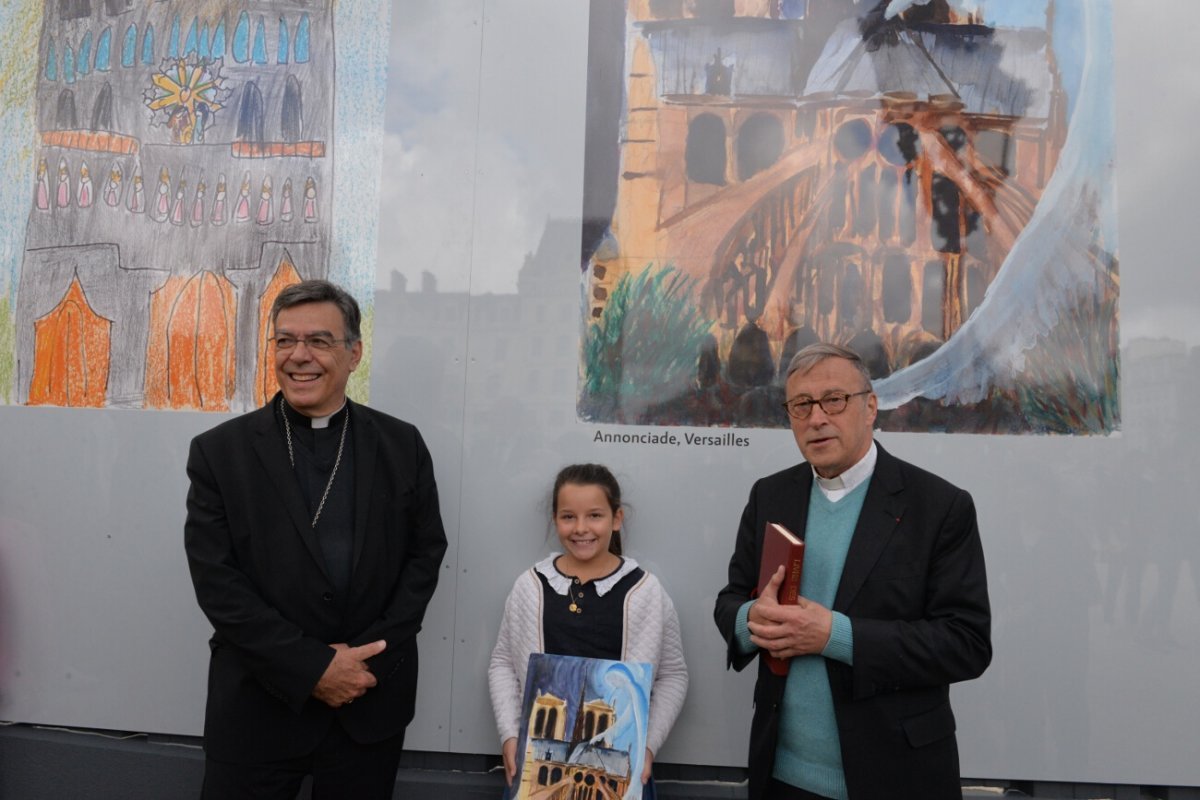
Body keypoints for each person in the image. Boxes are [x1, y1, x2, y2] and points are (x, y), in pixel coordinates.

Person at [184, 279, 447, 799]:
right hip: (259, 707)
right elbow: (218, 583)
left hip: (367, 707)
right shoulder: (220, 452)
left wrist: (360, 667)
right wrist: (314, 668)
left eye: (319, 341)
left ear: (354, 353)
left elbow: (424, 558)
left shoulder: (401, 444)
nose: (298, 357)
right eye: (284, 341)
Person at [714, 343, 991, 800]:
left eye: (834, 400)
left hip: (894, 775)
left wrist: (834, 636)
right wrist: (750, 621)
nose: (817, 418)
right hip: (781, 774)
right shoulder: (770, 495)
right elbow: (731, 599)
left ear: (871, 407)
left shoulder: (939, 507)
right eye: (801, 405)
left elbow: (966, 644)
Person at [489, 464, 688, 795]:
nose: (581, 528)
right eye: (568, 517)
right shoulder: (530, 587)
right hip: (540, 770)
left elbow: (673, 675)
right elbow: (503, 665)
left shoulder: (645, 591)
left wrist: (647, 747)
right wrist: (510, 735)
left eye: (595, 515)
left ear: (617, 518)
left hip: (619, 772)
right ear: (555, 519)